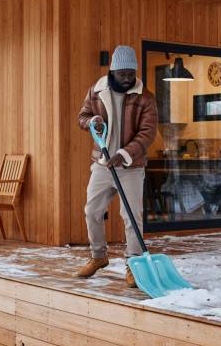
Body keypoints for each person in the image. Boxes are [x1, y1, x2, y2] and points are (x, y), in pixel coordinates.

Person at [76, 45, 158, 287]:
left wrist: (124, 154)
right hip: (102, 164)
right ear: (112, 71)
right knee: (92, 211)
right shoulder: (97, 90)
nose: (127, 78)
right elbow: (82, 117)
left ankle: (133, 264)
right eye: (122, 74)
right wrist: (92, 121)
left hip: (130, 166)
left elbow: (147, 133)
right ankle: (98, 256)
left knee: (131, 217)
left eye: (130, 74)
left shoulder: (145, 97)